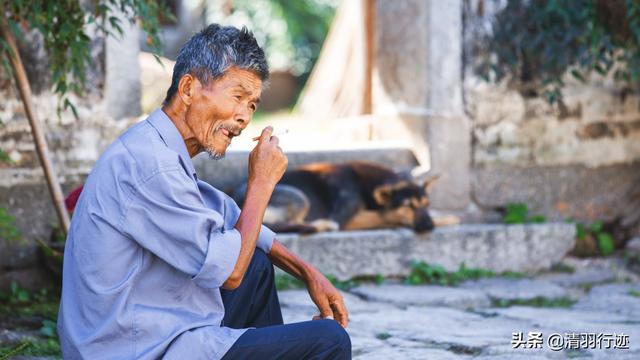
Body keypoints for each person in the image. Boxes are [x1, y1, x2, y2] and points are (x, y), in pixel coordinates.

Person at [57, 24, 351, 359]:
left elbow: (235, 219)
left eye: (253, 105)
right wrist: (261, 182)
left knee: (255, 262)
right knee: (329, 340)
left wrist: (309, 273)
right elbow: (230, 272)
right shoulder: (151, 165)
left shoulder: (160, 149)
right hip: (133, 349)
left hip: (161, 329)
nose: (243, 118)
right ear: (188, 89)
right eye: (238, 97)